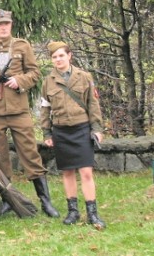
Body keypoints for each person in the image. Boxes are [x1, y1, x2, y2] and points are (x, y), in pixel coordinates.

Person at [0, 9, 59, 218]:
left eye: (6, 23)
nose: (3, 27)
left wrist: (20, 81)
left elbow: (35, 72)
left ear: (11, 24)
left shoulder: (22, 45)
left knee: (31, 154)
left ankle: (45, 201)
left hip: (19, 109)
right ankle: (8, 200)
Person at [40, 41, 106, 228]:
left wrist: (97, 129)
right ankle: (73, 212)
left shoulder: (84, 77)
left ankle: (92, 214)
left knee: (86, 172)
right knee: (67, 172)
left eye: (61, 55)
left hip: (82, 129)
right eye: (54, 57)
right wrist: (47, 132)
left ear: (69, 56)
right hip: (61, 131)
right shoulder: (48, 82)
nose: (58, 59)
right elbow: (44, 109)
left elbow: (93, 105)